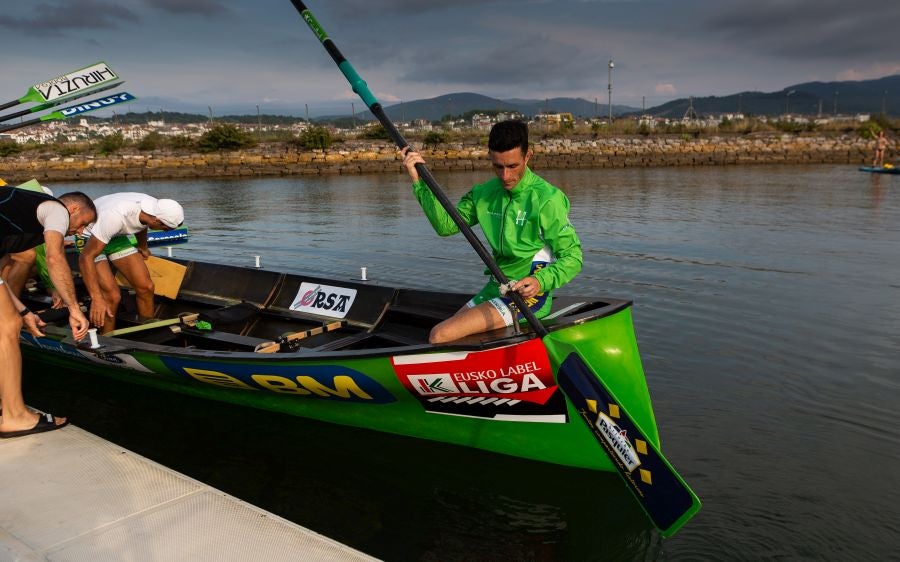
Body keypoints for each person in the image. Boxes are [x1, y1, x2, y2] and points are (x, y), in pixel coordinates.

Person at [401, 119, 582, 343]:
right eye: (498, 167)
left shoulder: (548, 199)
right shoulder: (483, 193)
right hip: (497, 288)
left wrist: (540, 281)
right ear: (490, 157)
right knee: (449, 336)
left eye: (513, 166)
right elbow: (445, 226)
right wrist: (419, 181)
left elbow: (573, 257)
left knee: (440, 335)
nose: (505, 176)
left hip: (530, 295)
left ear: (528, 156)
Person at [0, 188, 95, 438]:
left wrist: (23, 311)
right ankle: (15, 417)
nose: (82, 231)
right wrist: (74, 309)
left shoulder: (12, 226)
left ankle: (6, 407)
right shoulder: (55, 209)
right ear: (73, 209)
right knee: (6, 330)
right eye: (84, 222)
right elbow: (55, 258)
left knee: (9, 322)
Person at [77, 193, 184, 333]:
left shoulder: (152, 208)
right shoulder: (116, 216)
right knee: (112, 295)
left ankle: (147, 332)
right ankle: (106, 338)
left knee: (146, 287)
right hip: (89, 236)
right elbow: (86, 258)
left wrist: (143, 247)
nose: (165, 232)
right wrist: (96, 298)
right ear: (157, 221)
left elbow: (142, 224)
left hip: (115, 236)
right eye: (166, 229)